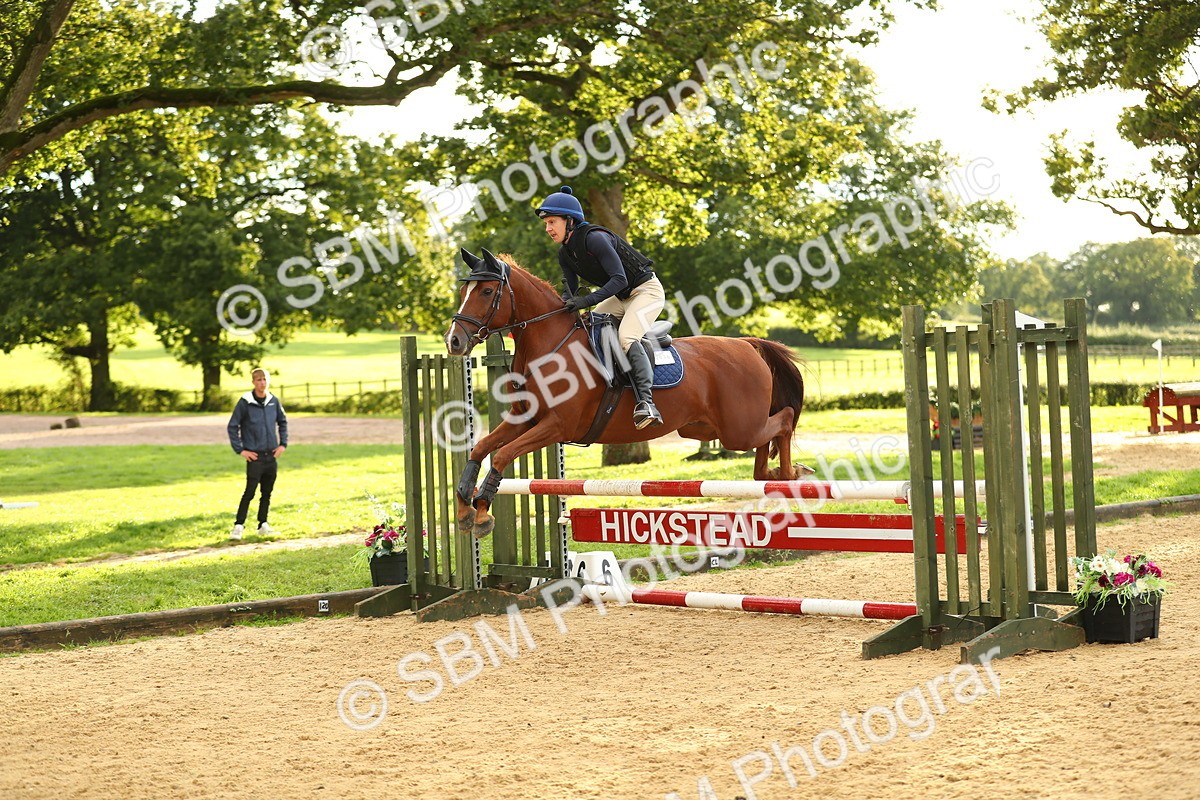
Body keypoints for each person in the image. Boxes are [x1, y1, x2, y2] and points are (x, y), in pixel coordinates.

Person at [535, 185, 666, 428]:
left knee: (626, 337)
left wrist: (585, 301)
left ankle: (647, 404)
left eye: (552, 222)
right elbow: (570, 291)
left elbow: (620, 279)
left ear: (570, 221)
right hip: (622, 297)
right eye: (546, 224)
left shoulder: (595, 239)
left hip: (646, 291)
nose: (548, 229)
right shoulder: (565, 254)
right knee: (591, 324)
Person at [226, 367, 288, 540]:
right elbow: (232, 426)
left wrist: (282, 444)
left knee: (267, 493)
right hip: (255, 457)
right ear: (253, 382)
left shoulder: (273, 401)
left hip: (271, 456)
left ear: (268, 381)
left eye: (264, 379)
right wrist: (241, 450)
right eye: (259, 380)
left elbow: (283, 422)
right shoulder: (245, 402)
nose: (262, 383)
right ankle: (238, 526)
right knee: (250, 492)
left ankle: (263, 524)